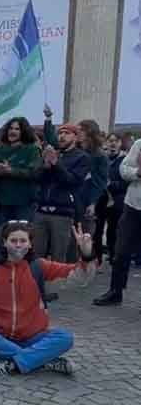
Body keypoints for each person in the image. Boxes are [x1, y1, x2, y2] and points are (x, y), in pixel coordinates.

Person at [0, 221, 95, 376]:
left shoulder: (39, 267)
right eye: (13, 241)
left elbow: (77, 278)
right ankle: (43, 360)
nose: (18, 245)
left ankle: (8, 364)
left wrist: (86, 256)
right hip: (1, 338)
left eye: (23, 241)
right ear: (4, 243)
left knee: (65, 337)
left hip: (35, 337)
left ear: (30, 244)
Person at [32, 124, 90, 269]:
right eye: (60, 133)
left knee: (59, 257)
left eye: (67, 133)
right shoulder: (53, 153)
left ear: (75, 137)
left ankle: (54, 289)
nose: (62, 136)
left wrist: (56, 164)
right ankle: (36, 286)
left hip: (62, 213)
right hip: (41, 210)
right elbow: (35, 178)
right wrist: (44, 166)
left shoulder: (82, 157)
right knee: (36, 255)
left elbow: (73, 181)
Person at [93, 137, 141, 306]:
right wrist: (138, 172)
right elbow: (124, 169)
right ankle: (115, 291)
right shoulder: (139, 144)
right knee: (120, 251)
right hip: (133, 206)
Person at [0, 117, 42, 236]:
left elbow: (34, 173)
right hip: (2, 202)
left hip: (24, 203)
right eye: (10, 128)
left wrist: (11, 171)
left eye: (17, 129)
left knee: (23, 235)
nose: (12, 131)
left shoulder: (32, 150)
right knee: (0, 237)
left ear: (23, 132)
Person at [93, 133, 128, 265]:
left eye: (116, 141)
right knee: (97, 229)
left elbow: (126, 182)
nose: (113, 143)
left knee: (114, 230)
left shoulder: (125, 160)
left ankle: (113, 255)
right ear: (106, 143)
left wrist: (111, 184)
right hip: (101, 199)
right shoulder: (102, 159)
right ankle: (97, 257)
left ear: (120, 143)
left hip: (117, 201)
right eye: (110, 141)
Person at [78, 120, 109, 234]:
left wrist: (93, 203)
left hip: (88, 200)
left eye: (81, 130)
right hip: (75, 198)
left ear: (90, 132)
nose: (78, 132)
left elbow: (100, 182)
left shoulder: (100, 155)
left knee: (86, 236)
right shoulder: (78, 150)